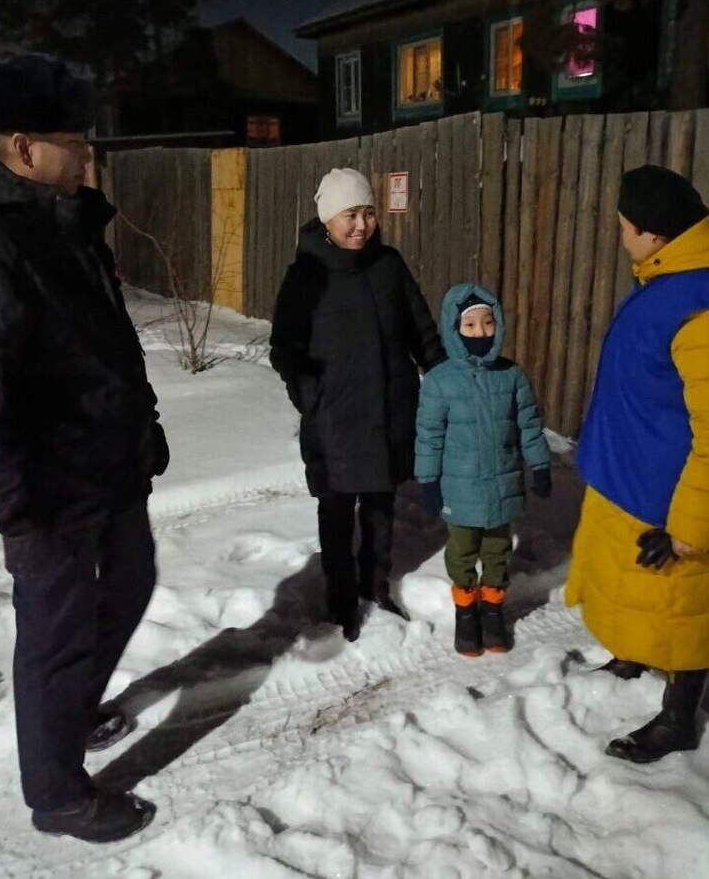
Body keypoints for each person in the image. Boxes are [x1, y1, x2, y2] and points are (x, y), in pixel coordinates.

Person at [0, 54, 168, 841]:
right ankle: (57, 796)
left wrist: (140, 424)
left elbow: (108, 346)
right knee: (54, 632)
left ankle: (69, 717)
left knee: (134, 579)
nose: (87, 152)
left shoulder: (69, 223)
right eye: (73, 140)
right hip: (44, 485)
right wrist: (7, 499)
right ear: (20, 147)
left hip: (107, 464)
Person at [566, 164, 709, 764]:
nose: (620, 235)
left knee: (681, 612)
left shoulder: (699, 306)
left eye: (625, 226)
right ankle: (632, 651)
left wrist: (688, 530)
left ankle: (679, 717)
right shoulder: (665, 277)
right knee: (624, 589)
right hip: (627, 477)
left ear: (654, 234)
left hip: (666, 500)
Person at [270, 168, 444, 641]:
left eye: (368, 213)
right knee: (336, 509)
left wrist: (445, 375)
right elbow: (284, 347)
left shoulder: (388, 264)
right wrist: (312, 397)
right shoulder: (307, 276)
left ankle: (376, 586)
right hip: (336, 418)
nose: (361, 225)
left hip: (389, 409)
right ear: (327, 220)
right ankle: (340, 599)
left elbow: (420, 328)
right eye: (350, 215)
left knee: (381, 504)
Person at [415, 284, 551, 655]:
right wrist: (427, 480)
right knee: (462, 551)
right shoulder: (441, 381)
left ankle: (492, 610)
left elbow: (528, 425)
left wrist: (539, 464)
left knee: (497, 550)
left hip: (503, 484)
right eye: (471, 325)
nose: (481, 332)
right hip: (460, 489)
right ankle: (466, 613)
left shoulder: (511, 376)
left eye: (488, 323)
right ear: (455, 329)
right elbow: (429, 435)